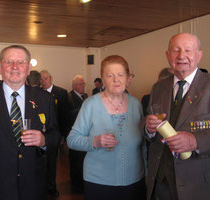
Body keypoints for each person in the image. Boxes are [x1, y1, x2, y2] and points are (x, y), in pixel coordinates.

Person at [145, 33, 210, 200]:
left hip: (200, 186)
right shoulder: (158, 88)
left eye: (188, 50)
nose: (181, 56)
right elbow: (150, 128)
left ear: (199, 55)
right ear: (167, 55)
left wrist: (195, 141)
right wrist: (148, 128)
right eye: (175, 50)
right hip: (161, 184)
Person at [0, 45, 60, 200]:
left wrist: (44, 140)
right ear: (0, 66)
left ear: (29, 67)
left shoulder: (45, 99)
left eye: (21, 62)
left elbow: (56, 135)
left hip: (34, 186)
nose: (15, 67)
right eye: (9, 61)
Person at [67, 55, 147, 200]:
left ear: (127, 77)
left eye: (120, 75)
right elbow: (72, 140)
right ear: (102, 79)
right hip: (99, 182)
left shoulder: (136, 104)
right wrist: (94, 142)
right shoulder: (90, 104)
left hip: (134, 181)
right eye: (110, 75)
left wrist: (147, 172)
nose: (116, 79)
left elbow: (143, 144)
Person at [40, 69, 69, 197]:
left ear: (50, 78)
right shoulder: (38, 93)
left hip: (54, 133)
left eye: (45, 78)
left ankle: (51, 187)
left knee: (52, 162)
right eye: (41, 79)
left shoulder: (61, 93)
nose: (43, 81)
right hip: (40, 134)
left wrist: (63, 135)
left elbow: (64, 115)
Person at [67, 75, 88, 192]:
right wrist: (84, 110)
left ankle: (81, 180)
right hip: (75, 132)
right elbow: (68, 114)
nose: (84, 86)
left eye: (84, 84)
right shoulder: (69, 97)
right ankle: (76, 183)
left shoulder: (85, 96)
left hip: (85, 133)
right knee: (75, 159)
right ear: (74, 86)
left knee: (82, 159)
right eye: (81, 84)